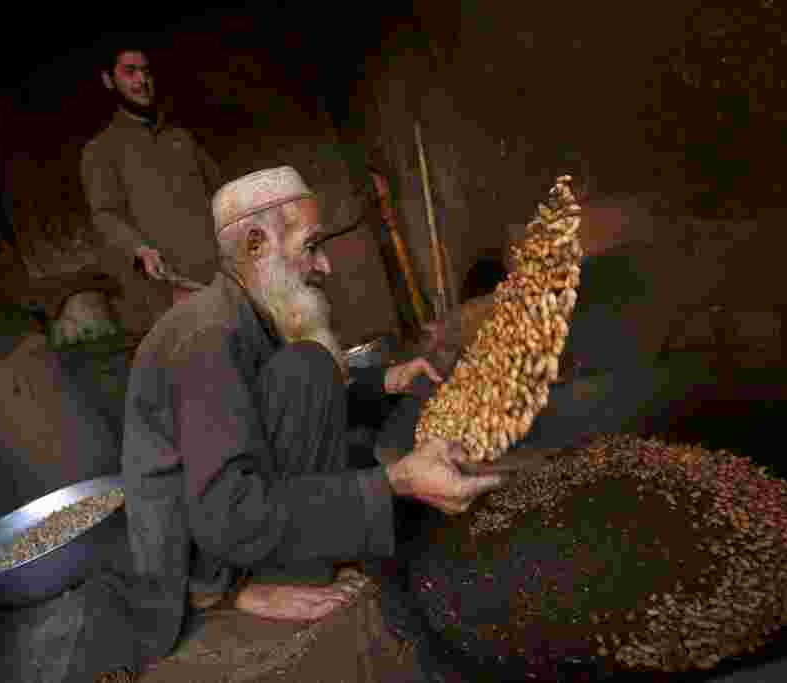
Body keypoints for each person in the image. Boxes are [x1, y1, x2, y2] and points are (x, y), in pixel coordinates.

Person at [118, 166, 512, 662]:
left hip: (218, 517)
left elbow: (263, 409)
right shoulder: (205, 337)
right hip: (195, 560)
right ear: (257, 245)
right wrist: (394, 483)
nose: (323, 265)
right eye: (310, 245)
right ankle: (249, 585)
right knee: (308, 368)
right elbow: (224, 511)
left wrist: (383, 383)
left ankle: (279, 563)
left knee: (308, 371)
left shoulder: (245, 310)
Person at [80, 40, 223, 336]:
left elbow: (222, 192)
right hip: (170, 290)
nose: (141, 81)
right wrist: (139, 249)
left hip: (223, 276)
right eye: (129, 72)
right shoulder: (101, 150)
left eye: (146, 72)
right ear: (109, 81)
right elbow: (105, 215)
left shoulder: (181, 137)